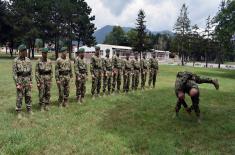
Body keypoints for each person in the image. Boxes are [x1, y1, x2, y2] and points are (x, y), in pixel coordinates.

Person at [12, 44, 33, 118]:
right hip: (20, 80)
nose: (25, 52)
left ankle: (29, 109)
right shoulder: (15, 61)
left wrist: (31, 82)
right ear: (20, 52)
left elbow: (30, 72)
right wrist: (17, 83)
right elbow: (14, 74)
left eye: (26, 51)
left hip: (27, 80)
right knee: (20, 97)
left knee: (28, 96)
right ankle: (19, 111)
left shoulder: (28, 60)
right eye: (24, 51)